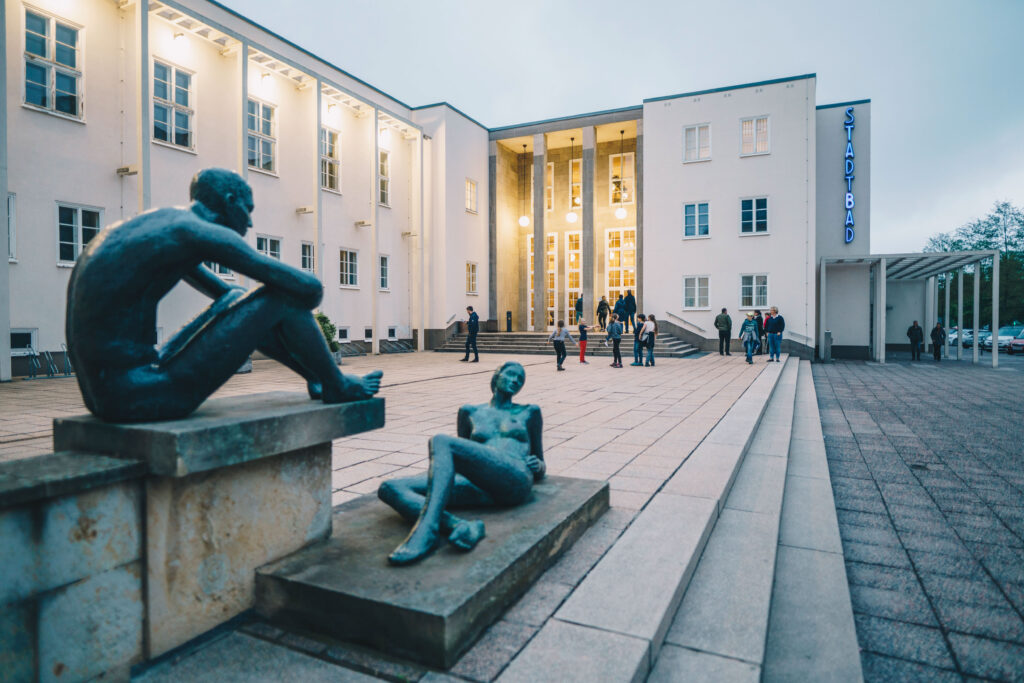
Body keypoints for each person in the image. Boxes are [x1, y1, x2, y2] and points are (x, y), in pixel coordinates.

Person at [65, 168, 382, 422]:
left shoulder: (163, 226)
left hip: (109, 394)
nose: (250, 220)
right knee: (283, 297)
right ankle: (336, 384)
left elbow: (230, 296)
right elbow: (309, 290)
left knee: (236, 297)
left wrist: (251, 312)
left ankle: (318, 379)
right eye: (248, 209)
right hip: (143, 395)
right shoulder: (200, 232)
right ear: (230, 201)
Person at [377, 361, 545, 565]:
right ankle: (458, 526)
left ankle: (427, 530)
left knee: (442, 441)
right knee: (390, 488)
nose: (515, 381)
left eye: (520, 380)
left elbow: (541, 463)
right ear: (497, 374)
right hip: (477, 485)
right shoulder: (470, 412)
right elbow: (462, 456)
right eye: (511, 375)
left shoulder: (529, 412)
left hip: (513, 478)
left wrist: (539, 466)